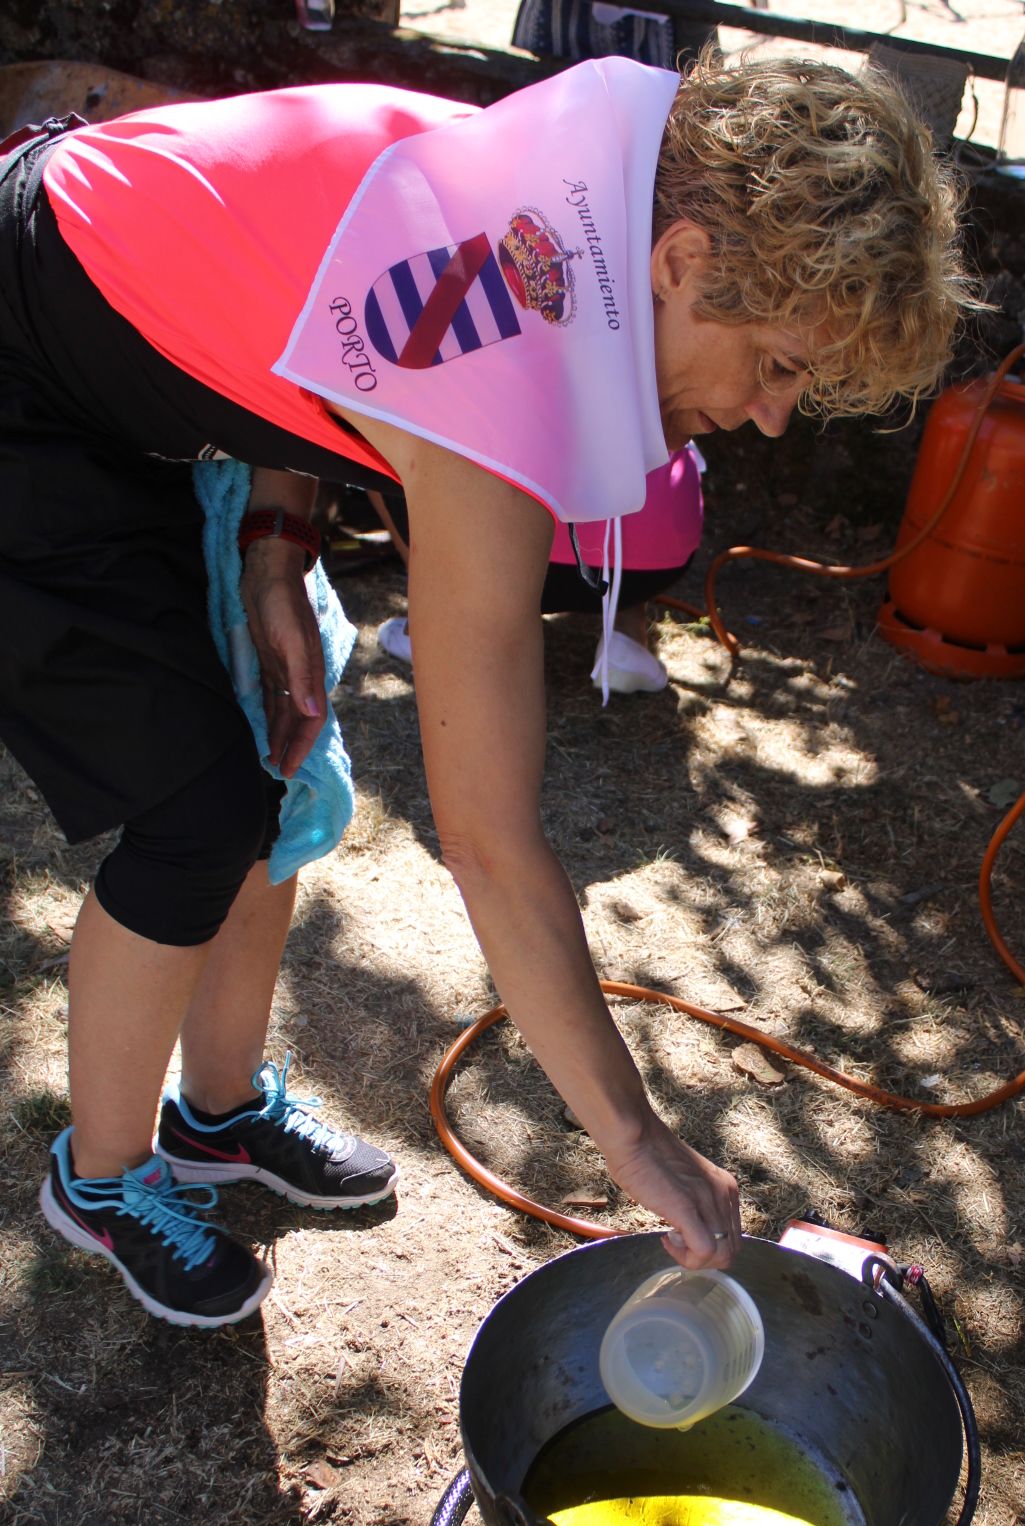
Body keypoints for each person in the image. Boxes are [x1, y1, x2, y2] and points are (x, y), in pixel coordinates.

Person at [0, 49, 973, 1330]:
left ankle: (216, 1120)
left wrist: (276, 550)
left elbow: (315, 305)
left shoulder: (603, 182)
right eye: (780, 364)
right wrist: (635, 1140)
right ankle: (101, 1179)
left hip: (149, 360)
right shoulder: (507, 379)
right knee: (193, 810)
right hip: (29, 370)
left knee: (268, 771)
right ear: (679, 262)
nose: (776, 416)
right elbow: (489, 843)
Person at [371, 442, 706, 695]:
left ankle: (434, 624)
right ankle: (628, 634)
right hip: (655, 560)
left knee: (377, 440)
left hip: (516, 556)